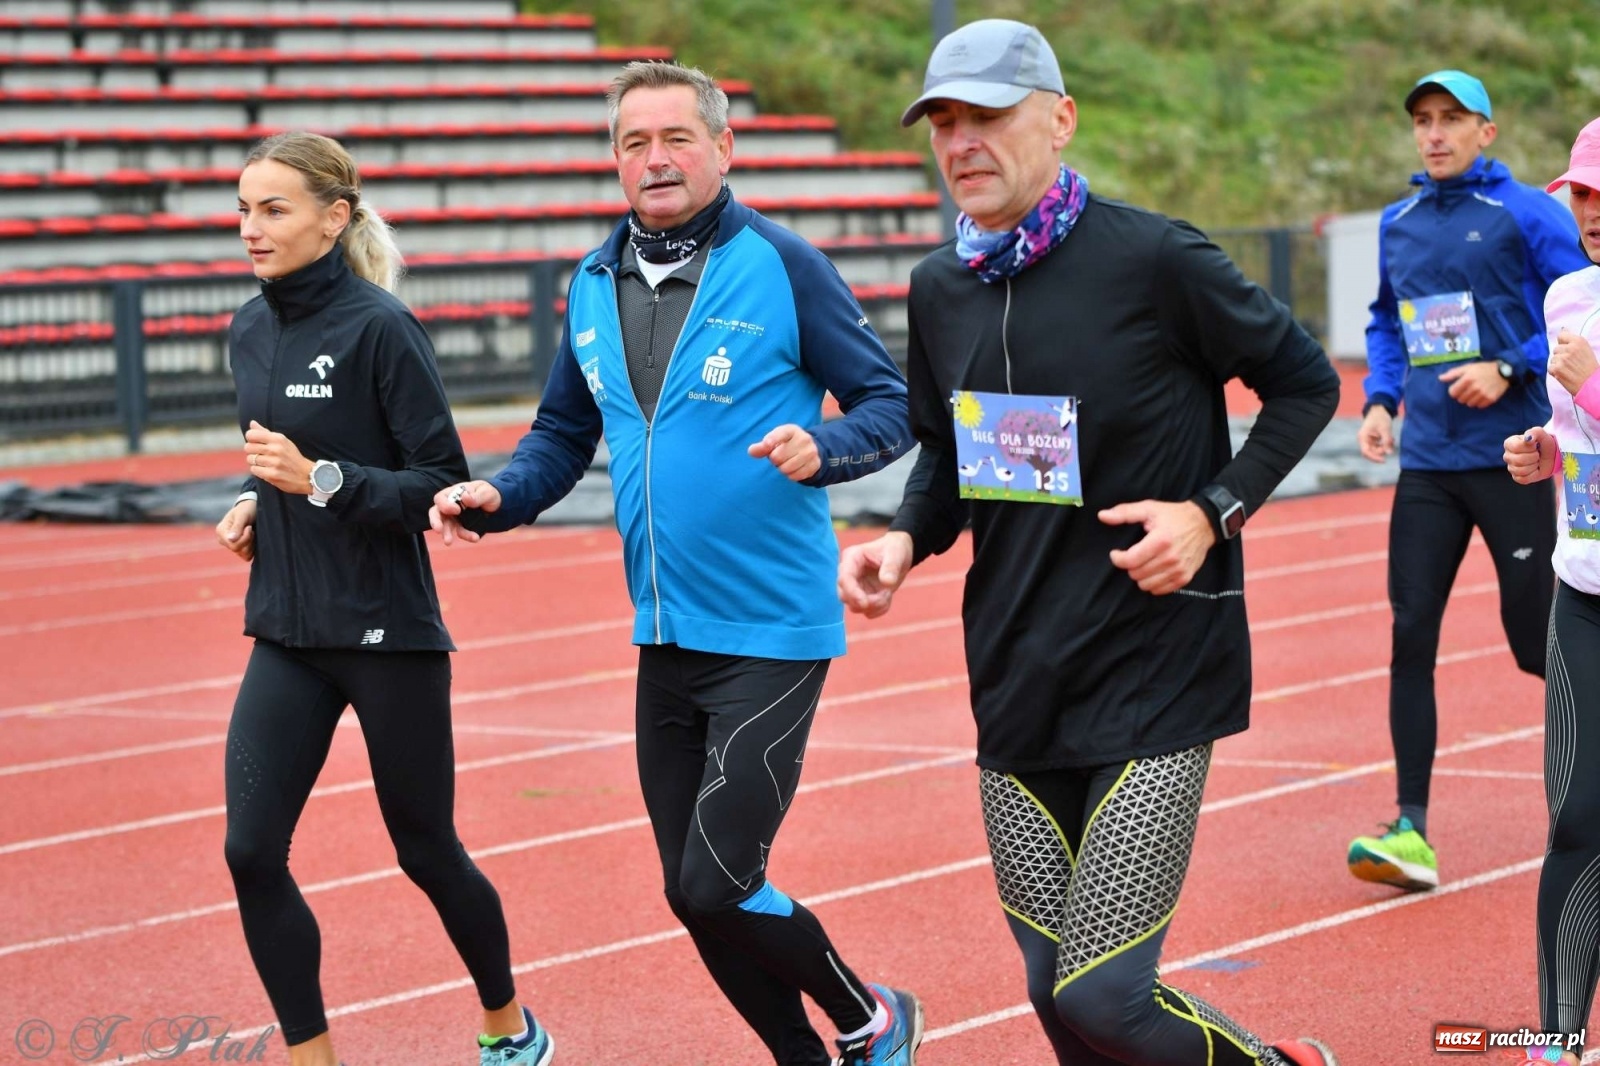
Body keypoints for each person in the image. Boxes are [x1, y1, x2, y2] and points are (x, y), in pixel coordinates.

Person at [838, 18, 1342, 1066]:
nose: (961, 141)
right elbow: (945, 452)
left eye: (986, 115)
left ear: (1059, 120)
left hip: (1154, 665)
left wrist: (1211, 511)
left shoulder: (1156, 258)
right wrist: (901, 538)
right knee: (1051, 993)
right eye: (942, 121)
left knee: (1105, 997)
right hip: (1018, 671)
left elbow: (1304, 381)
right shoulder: (940, 287)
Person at [429, 61, 920, 1066]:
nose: (655, 159)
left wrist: (823, 449)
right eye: (633, 143)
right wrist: (501, 497)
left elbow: (891, 404)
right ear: (614, 160)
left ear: (721, 147)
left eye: (675, 138)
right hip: (662, 633)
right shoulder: (591, 281)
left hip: (771, 631)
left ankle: (872, 1016)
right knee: (687, 892)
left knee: (718, 880)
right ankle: (805, 1054)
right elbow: (563, 433)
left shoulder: (782, 264)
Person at [213, 131, 554, 1066]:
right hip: (285, 627)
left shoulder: (380, 327)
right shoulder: (247, 327)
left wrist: (316, 482)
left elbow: (437, 484)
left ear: (334, 217)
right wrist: (252, 503)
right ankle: (311, 1056)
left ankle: (508, 1024)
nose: (252, 227)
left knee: (425, 851)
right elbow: (274, 465)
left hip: (384, 629)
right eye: (243, 209)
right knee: (250, 853)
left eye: (273, 208)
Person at [1348, 70, 1588, 893]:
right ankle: (1410, 829)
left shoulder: (1527, 214)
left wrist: (1507, 365)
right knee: (1409, 635)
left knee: (1535, 644)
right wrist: (1382, 400)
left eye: (1452, 118)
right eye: (1422, 120)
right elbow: (1388, 319)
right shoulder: (1400, 221)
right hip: (1428, 467)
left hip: (1512, 456)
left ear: (1488, 130)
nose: (1435, 133)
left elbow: (1582, 304)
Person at [1502, 115, 1600, 1066]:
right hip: (1585, 590)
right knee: (1575, 818)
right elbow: (1575, 426)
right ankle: (1557, 1039)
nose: (1593, 211)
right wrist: (1544, 453)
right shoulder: (1567, 294)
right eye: (1581, 193)